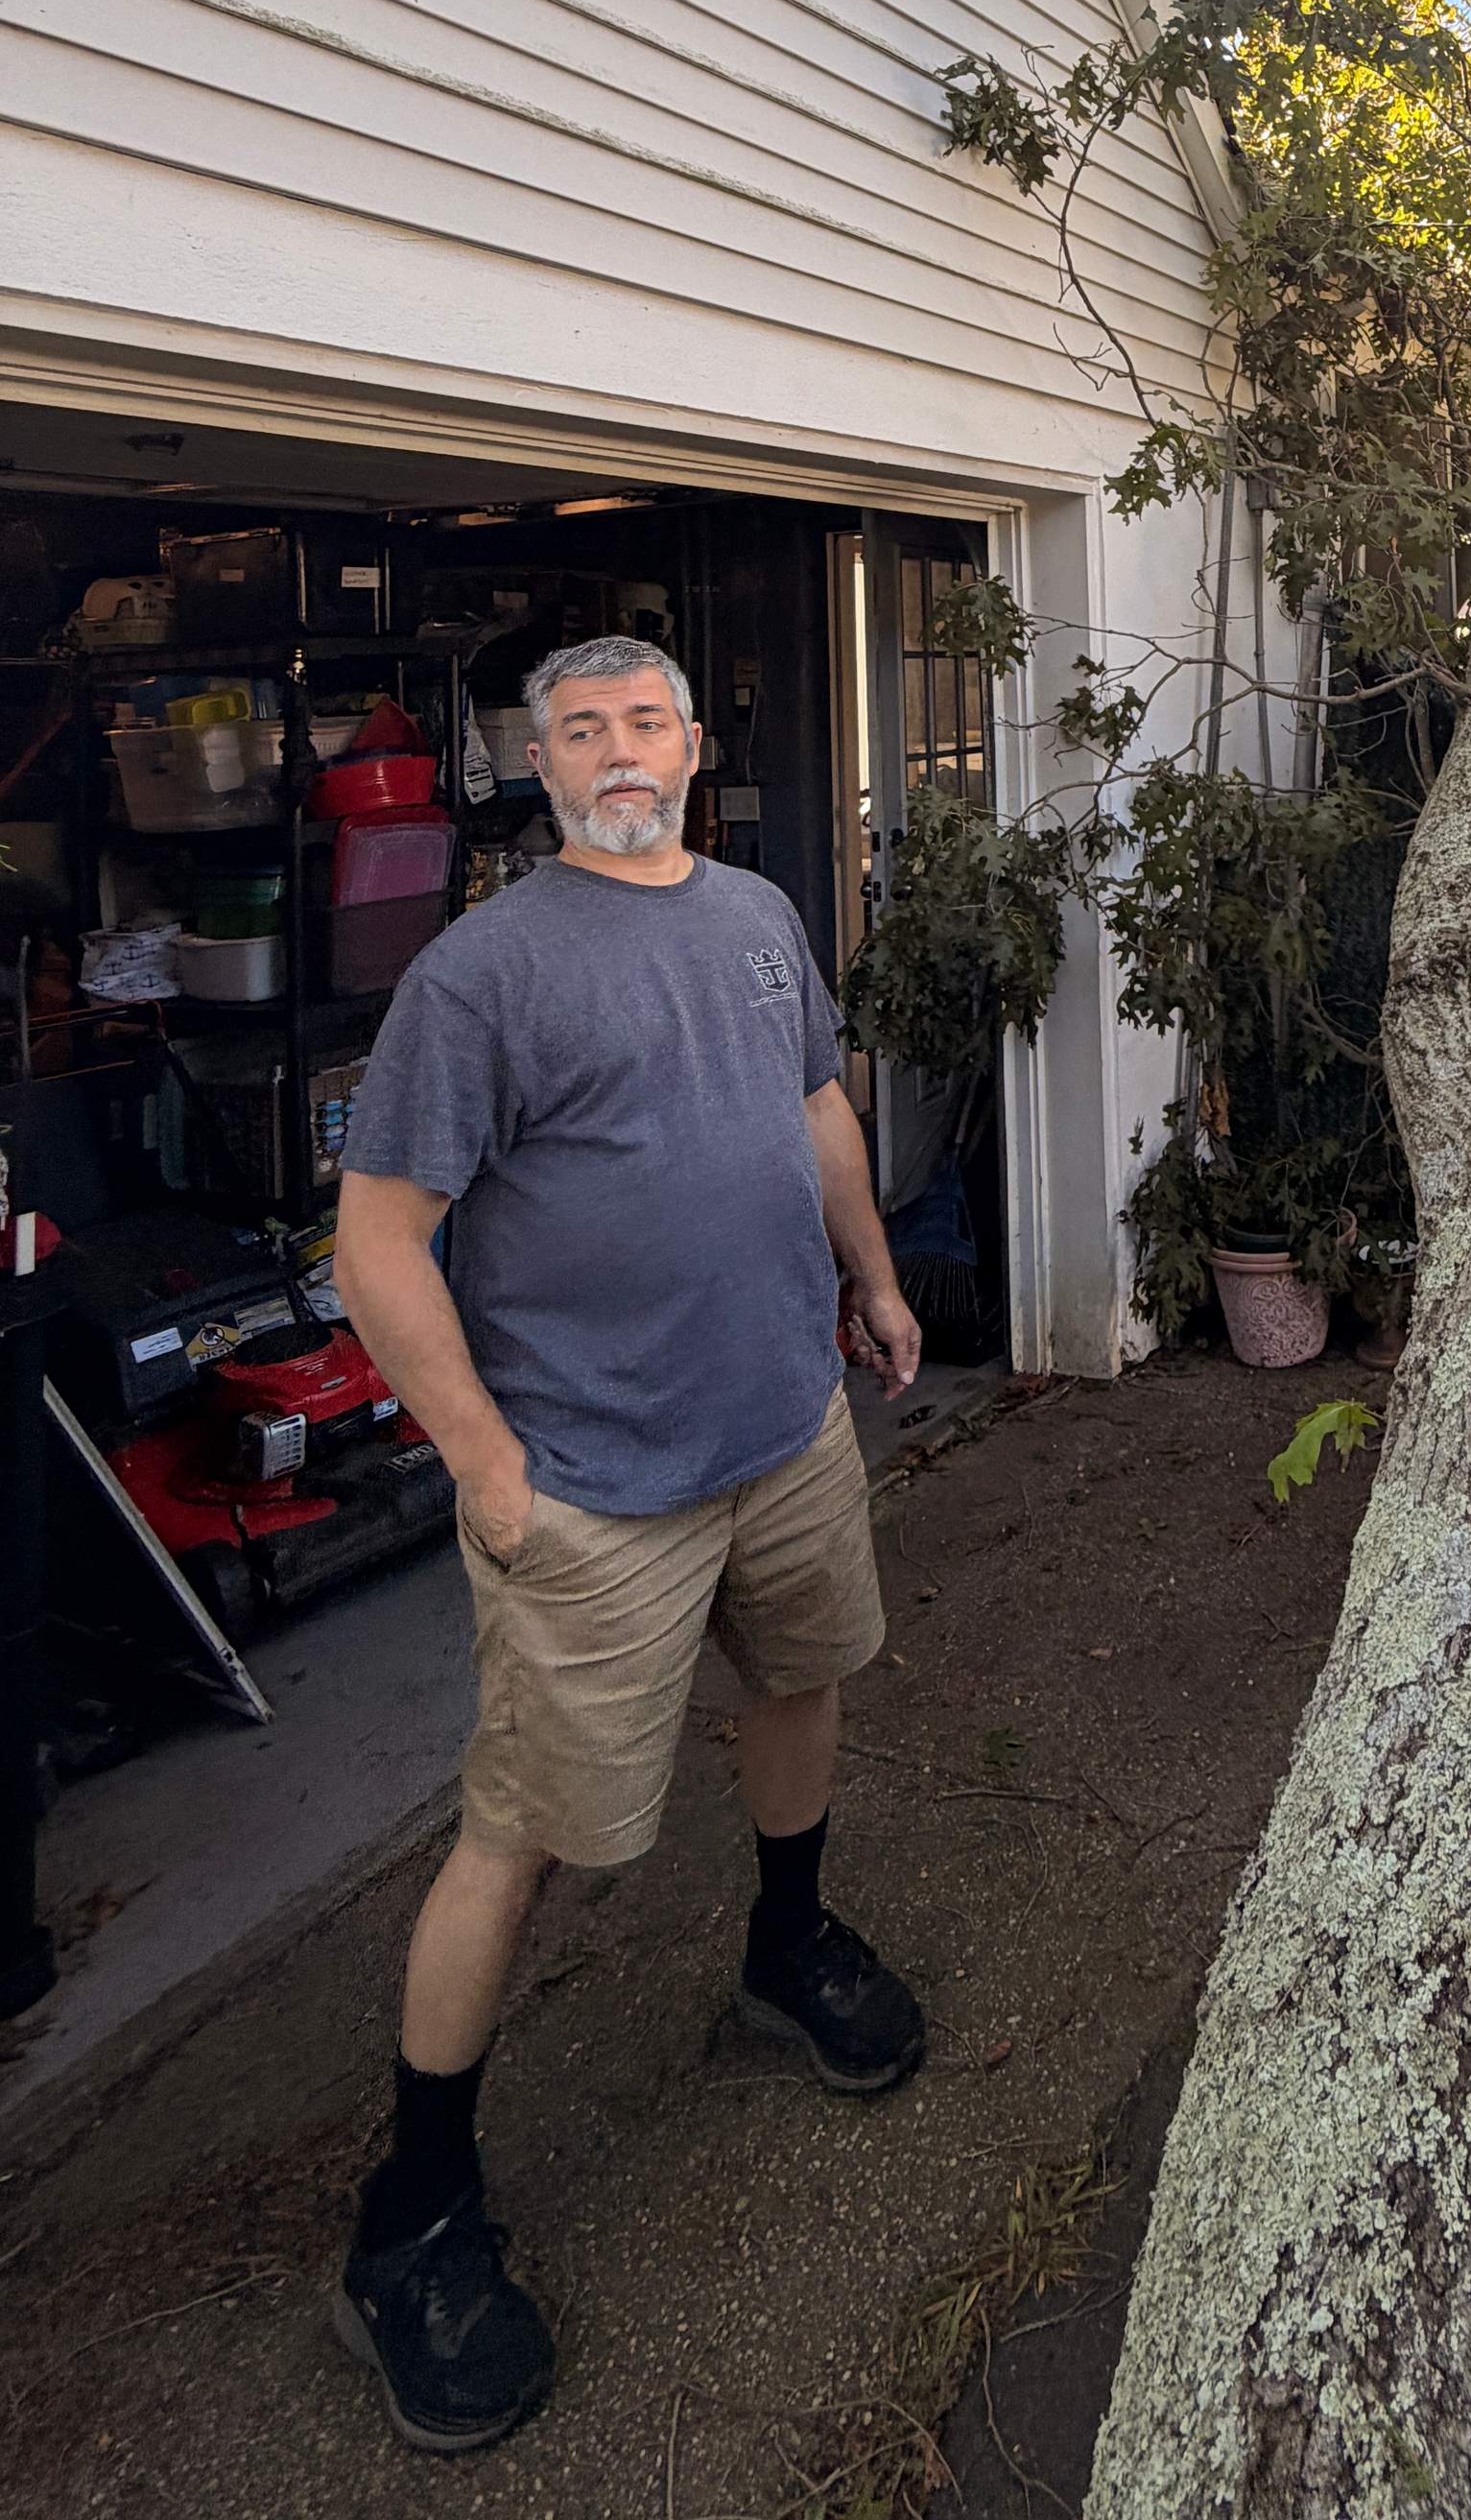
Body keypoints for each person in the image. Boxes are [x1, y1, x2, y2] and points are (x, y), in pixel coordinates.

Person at [327, 635, 926, 2455]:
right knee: (523, 1839)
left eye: (643, 720)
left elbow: (815, 1109)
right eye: (578, 730)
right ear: (535, 763)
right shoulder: (481, 975)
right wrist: (491, 1469)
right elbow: (378, 1244)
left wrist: (877, 1279)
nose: (617, 751)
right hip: (590, 1487)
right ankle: (413, 2218)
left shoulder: (754, 913)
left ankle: (787, 1948)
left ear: (691, 741)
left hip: (784, 1429)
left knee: (806, 1687)